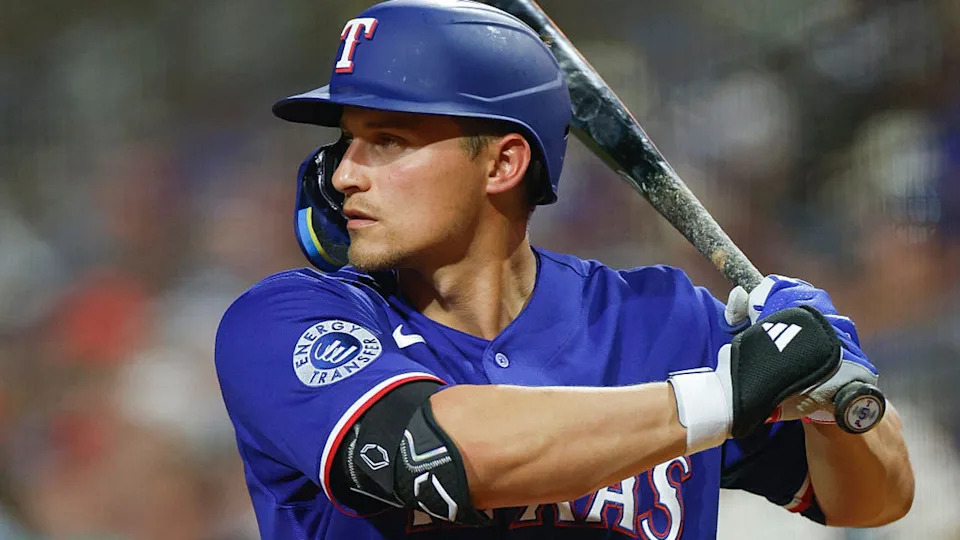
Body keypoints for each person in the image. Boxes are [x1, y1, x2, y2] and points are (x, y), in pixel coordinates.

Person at [214, 1, 914, 538]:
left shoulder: (663, 321)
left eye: (387, 141)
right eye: (346, 142)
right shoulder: (288, 323)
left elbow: (872, 500)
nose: (342, 174)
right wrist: (726, 395)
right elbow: (427, 454)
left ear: (504, 163)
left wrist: (834, 394)